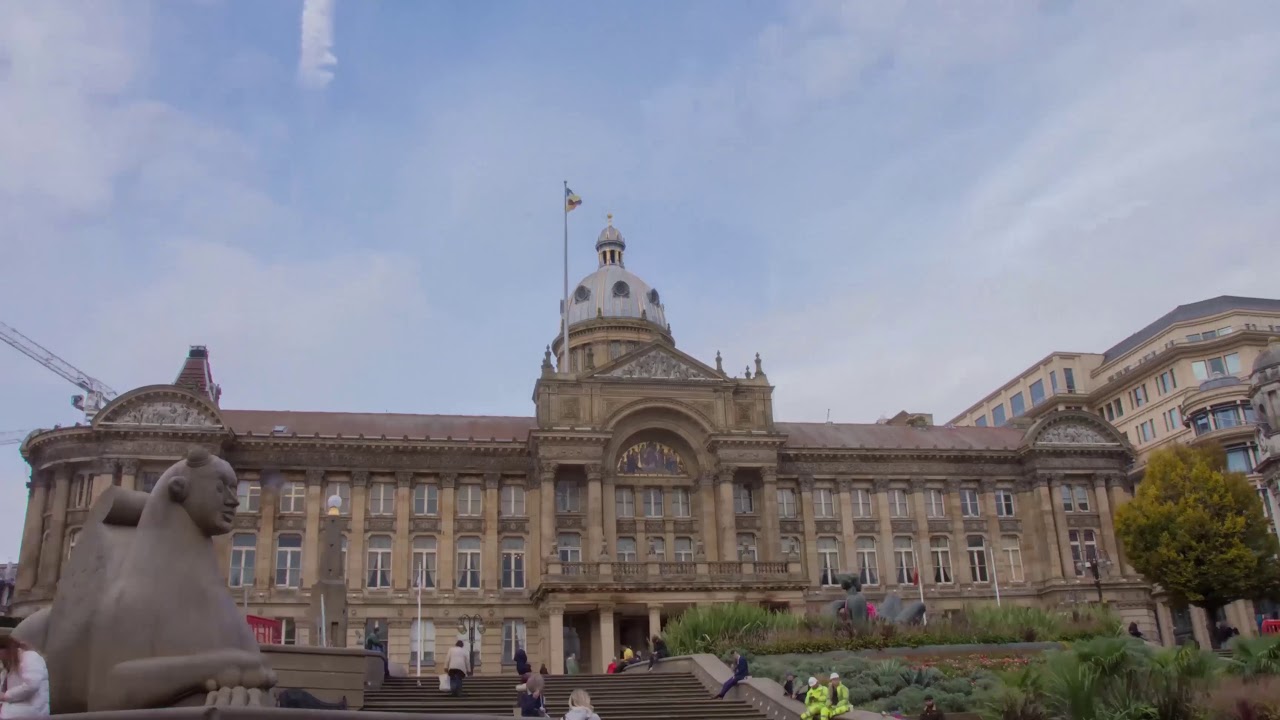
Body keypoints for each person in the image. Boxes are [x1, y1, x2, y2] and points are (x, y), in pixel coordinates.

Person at [0, 635, 50, 718]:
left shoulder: (30, 657)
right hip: (18, 707)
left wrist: (6, 696)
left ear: (6, 650)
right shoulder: (9, 665)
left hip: (32, 709)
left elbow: (32, 685)